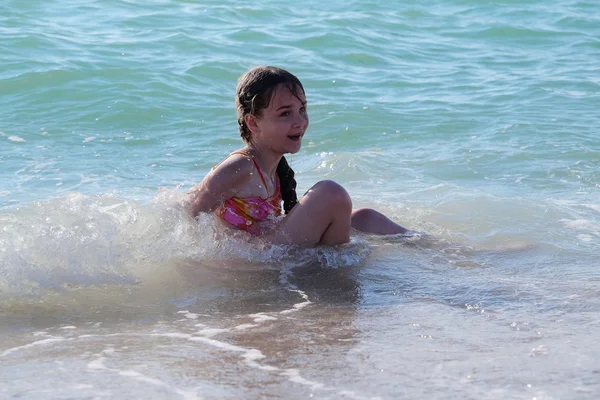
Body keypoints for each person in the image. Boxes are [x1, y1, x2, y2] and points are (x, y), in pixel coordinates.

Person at [184, 66, 407, 247]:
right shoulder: (241, 166)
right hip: (262, 255)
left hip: (274, 245)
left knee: (366, 218)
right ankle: (334, 269)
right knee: (330, 194)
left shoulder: (275, 168)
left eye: (302, 109)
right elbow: (189, 214)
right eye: (285, 113)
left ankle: (432, 248)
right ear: (253, 122)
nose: (300, 121)